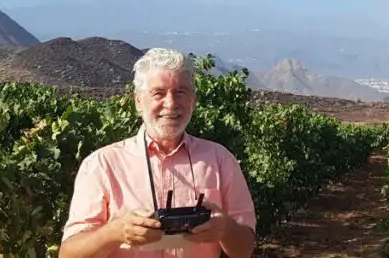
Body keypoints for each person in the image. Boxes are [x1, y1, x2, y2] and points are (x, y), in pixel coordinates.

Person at [59, 48, 257, 258]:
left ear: (193, 101)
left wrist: (224, 227)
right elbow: (68, 254)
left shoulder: (221, 160)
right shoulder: (102, 165)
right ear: (138, 101)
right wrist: (114, 232)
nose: (171, 104)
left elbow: (244, 249)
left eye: (181, 92)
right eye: (158, 93)